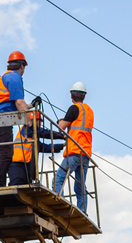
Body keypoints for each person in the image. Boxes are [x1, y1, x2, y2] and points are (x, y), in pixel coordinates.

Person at [0, 51, 33, 188]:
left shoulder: (6, 76)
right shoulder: (15, 77)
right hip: (0, 119)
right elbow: (18, 102)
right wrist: (29, 121)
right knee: (6, 153)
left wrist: (28, 106)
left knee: (5, 153)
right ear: (22, 66)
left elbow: (11, 103)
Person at [55, 81, 94, 212]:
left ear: (71, 96)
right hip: (85, 153)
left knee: (59, 178)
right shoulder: (89, 111)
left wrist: (61, 122)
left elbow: (61, 127)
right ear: (84, 96)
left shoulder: (74, 108)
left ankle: (59, 205)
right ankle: (83, 211)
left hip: (74, 152)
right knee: (80, 185)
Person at [7, 108, 65, 186]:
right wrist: (62, 135)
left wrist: (62, 145)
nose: (39, 124)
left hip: (27, 167)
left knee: (24, 190)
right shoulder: (27, 128)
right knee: (16, 187)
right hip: (18, 165)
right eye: (38, 121)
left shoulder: (33, 138)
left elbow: (44, 147)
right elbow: (44, 132)